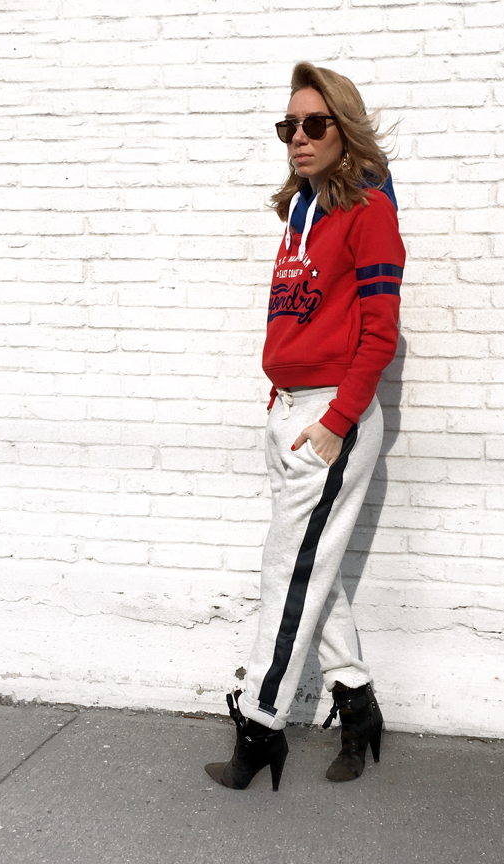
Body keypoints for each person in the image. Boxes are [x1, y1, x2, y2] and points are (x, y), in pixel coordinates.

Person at [206, 62, 405, 791]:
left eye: (313, 124)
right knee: (309, 570)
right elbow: (296, 322)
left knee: (285, 570)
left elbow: (379, 334)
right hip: (288, 410)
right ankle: (356, 704)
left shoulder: (369, 210)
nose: (297, 136)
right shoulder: (301, 214)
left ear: (342, 128)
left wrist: (335, 421)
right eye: (288, 125)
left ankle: (261, 724)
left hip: (330, 415)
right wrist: (278, 403)